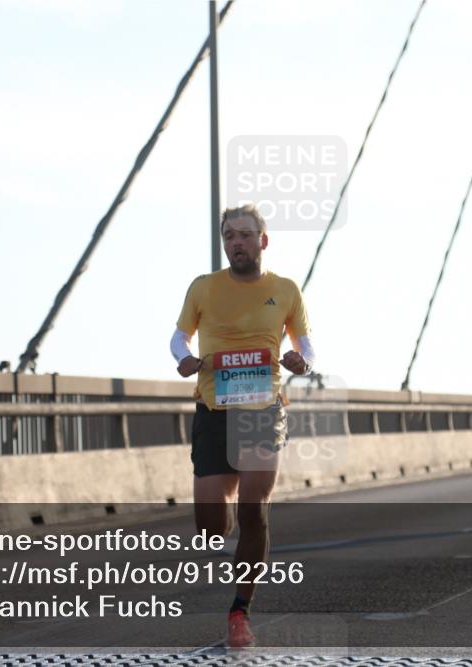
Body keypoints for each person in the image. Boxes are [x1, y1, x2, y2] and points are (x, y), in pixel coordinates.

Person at [170, 204, 315, 648]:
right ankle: (226, 499)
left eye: (246, 235)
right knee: (213, 528)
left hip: (262, 412)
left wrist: (301, 362)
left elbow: (304, 342)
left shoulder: (286, 290)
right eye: (229, 235)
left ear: (263, 241)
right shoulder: (203, 287)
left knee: (255, 511)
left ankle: (240, 611)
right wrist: (185, 360)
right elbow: (179, 336)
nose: (237, 242)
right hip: (214, 413)